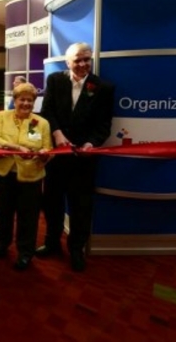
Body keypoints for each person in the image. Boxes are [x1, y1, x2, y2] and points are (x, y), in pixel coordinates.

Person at [37, 42, 114, 272]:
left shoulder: (104, 88)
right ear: (67, 62)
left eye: (86, 59)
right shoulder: (55, 80)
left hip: (84, 160)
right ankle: (52, 243)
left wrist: (91, 143)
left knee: (81, 207)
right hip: (56, 158)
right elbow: (47, 112)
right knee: (52, 202)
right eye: (77, 60)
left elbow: (104, 125)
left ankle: (76, 249)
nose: (82, 64)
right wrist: (57, 134)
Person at [0, 83, 52, 270]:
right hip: (6, 173)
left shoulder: (41, 123)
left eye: (30, 100)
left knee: (29, 216)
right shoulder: (2, 116)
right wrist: (17, 148)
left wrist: (45, 154)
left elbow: (47, 147)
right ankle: (3, 243)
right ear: (14, 100)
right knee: (4, 212)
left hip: (31, 176)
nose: (26, 103)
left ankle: (25, 253)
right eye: (22, 99)